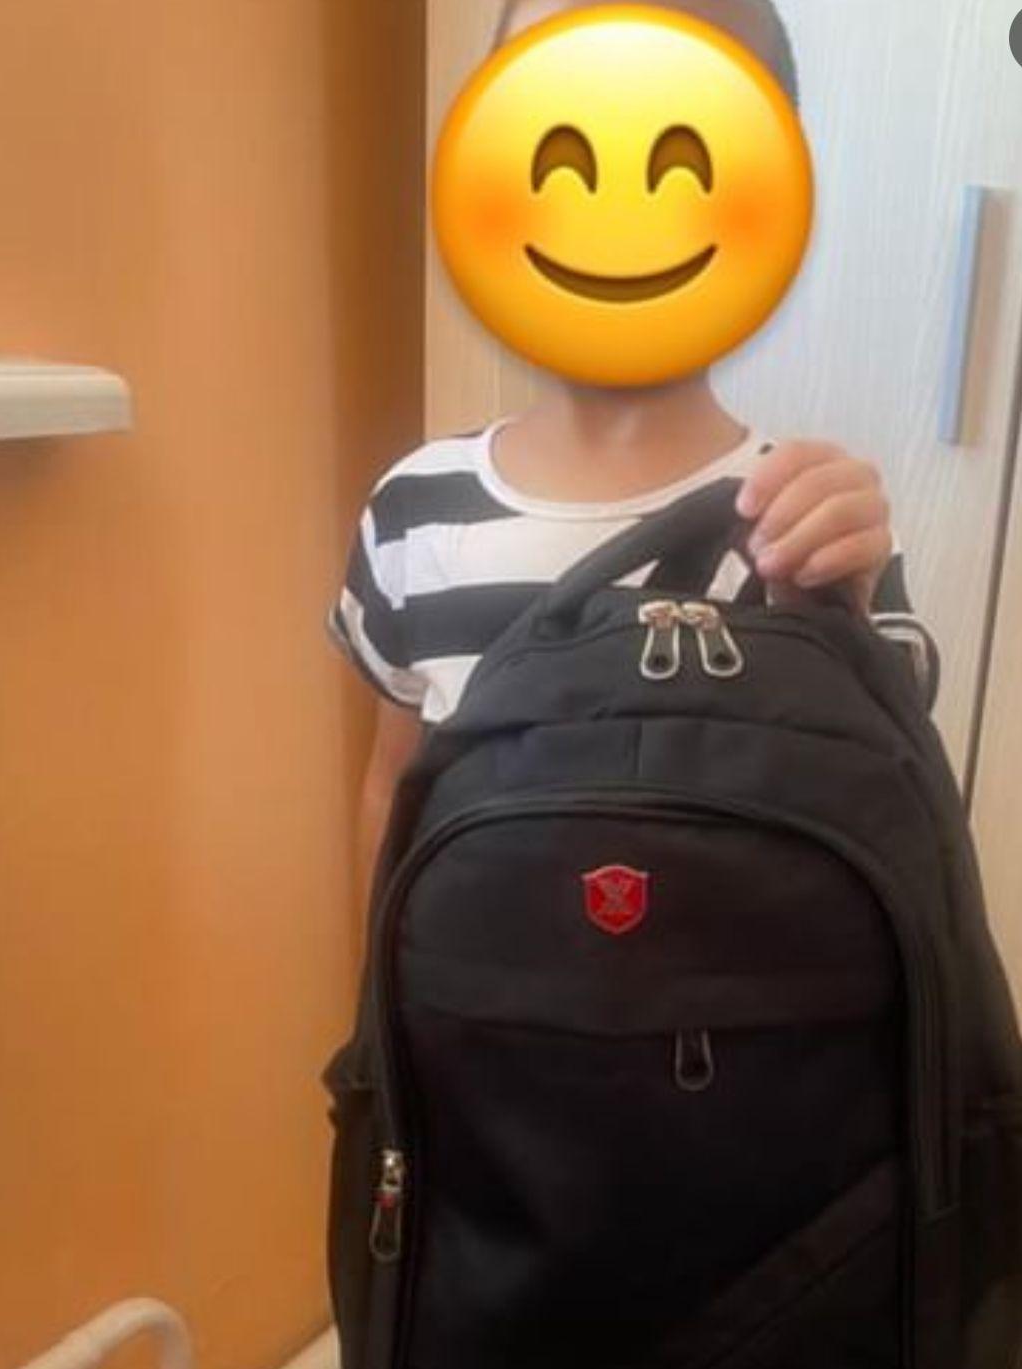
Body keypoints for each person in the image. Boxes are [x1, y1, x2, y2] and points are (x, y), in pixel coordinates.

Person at [327, 0, 911, 904]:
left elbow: (886, 803)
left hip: (727, 990)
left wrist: (833, 614)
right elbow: (391, 786)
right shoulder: (415, 510)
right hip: (472, 992)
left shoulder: (804, 517)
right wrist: (377, 989)